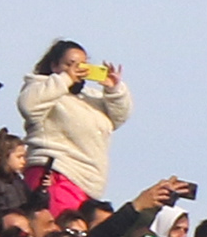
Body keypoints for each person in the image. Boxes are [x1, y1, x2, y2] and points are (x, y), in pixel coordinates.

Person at [19, 42, 132, 206]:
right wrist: (65, 79)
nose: (77, 69)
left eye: (82, 65)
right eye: (70, 64)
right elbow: (28, 106)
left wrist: (114, 90)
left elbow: (118, 118)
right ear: (55, 65)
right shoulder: (41, 87)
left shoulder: (91, 97)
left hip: (89, 184)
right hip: (56, 174)